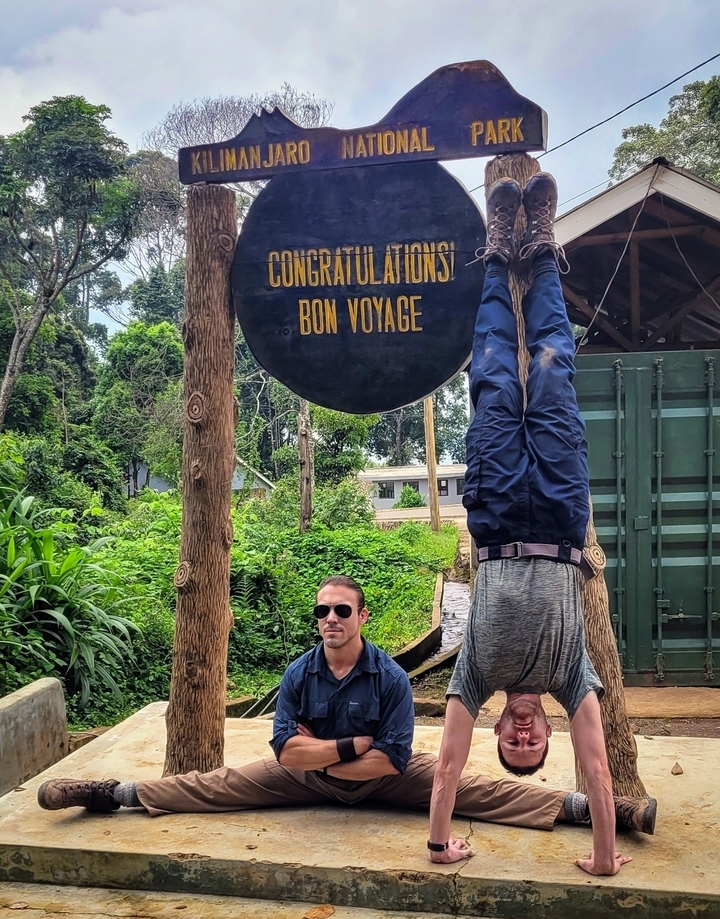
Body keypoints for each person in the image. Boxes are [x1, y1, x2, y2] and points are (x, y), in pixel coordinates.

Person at [38, 575, 654, 860]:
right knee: (216, 786)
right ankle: (108, 794)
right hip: (310, 780)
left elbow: (387, 761)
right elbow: (287, 756)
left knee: (473, 791)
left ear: (360, 618)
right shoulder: (298, 675)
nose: (331, 619)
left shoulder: (388, 677)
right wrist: (346, 748)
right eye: (322, 611)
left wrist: (324, 748)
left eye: (342, 610)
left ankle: (597, 810)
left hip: (387, 781)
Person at [428, 172, 648, 875]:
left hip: (493, 514)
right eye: (532, 743)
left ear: (496, 726)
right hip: (557, 512)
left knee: (492, 372)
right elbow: (600, 768)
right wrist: (604, 858)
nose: (523, 732)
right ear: (546, 729)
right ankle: (543, 244)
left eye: (512, 742)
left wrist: (439, 845)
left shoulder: (474, 674)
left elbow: (446, 770)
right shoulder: (570, 677)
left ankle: (499, 251)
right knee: (551, 369)